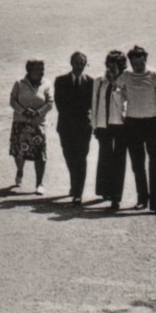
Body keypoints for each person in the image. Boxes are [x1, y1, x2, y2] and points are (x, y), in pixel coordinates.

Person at [115, 45, 156, 216]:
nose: (138, 66)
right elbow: (117, 90)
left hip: (153, 124)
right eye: (134, 63)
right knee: (137, 163)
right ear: (130, 63)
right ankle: (142, 199)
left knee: (154, 163)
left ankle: (155, 202)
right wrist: (123, 107)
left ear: (146, 60)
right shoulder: (126, 75)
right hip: (132, 124)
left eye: (140, 63)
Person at [53, 51, 94, 205]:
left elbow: (91, 105)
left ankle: (78, 192)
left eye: (82, 63)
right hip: (66, 127)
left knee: (81, 158)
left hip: (84, 127)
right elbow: (59, 104)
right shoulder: (60, 81)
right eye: (76, 62)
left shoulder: (90, 82)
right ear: (71, 63)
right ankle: (74, 183)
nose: (79, 65)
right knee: (70, 157)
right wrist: (72, 121)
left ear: (85, 64)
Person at [91, 49, 129, 210]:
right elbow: (94, 103)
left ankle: (116, 197)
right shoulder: (99, 81)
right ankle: (105, 190)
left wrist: (115, 84)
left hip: (120, 125)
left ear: (121, 67)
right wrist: (94, 125)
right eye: (109, 66)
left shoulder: (125, 82)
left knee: (118, 160)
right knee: (105, 157)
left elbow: (124, 104)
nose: (111, 70)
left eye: (115, 67)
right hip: (103, 125)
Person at [8, 59, 53, 193]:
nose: (42, 72)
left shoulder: (47, 83)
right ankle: (20, 170)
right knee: (19, 153)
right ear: (30, 70)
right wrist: (23, 111)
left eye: (43, 68)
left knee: (40, 155)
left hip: (38, 123)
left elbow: (50, 102)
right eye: (38, 69)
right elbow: (12, 100)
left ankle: (39, 183)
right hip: (20, 123)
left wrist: (38, 112)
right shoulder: (19, 83)